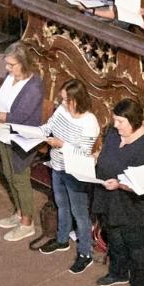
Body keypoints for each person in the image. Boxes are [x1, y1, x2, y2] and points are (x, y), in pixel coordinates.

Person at [92, 99, 144, 286]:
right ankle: (118, 272)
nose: (116, 126)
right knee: (116, 240)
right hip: (111, 201)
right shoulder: (115, 135)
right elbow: (105, 157)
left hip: (135, 208)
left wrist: (121, 185)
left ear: (134, 121)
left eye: (121, 121)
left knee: (137, 248)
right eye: (115, 120)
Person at [39, 82, 100, 268]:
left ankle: (85, 252)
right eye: (63, 99)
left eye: (67, 100)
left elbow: (85, 153)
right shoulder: (61, 111)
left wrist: (62, 145)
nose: (63, 103)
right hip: (57, 166)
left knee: (79, 213)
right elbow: (48, 127)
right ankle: (62, 239)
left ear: (77, 100)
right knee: (62, 206)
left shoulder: (89, 122)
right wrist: (32, 134)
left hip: (75, 172)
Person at [0, 47, 47, 244]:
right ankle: (19, 212)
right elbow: (2, 100)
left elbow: (20, 116)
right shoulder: (10, 77)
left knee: (20, 179)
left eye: (11, 65)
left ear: (24, 63)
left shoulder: (33, 86)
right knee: (8, 174)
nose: (7, 69)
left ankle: (27, 223)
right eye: (6, 64)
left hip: (20, 138)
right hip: (3, 134)